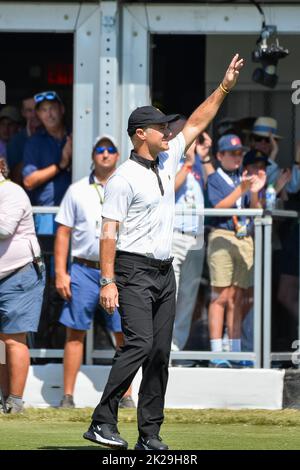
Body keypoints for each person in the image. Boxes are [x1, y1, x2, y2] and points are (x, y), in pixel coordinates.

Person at [83, 54, 244, 450]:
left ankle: (149, 434)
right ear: (141, 134)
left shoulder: (168, 159)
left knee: (158, 353)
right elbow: (108, 232)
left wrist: (224, 86)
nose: (167, 131)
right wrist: (107, 280)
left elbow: (197, 121)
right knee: (138, 344)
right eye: (159, 127)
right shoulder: (122, 178)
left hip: (163, 271)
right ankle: (102, 420)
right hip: (132, 269)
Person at [54, 135, 134, 409]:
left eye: (110, 150)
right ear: (92, 156)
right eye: (99, 150)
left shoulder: (126, 187)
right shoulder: (77, 190)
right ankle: (67, 396)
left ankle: (126, 395)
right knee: (75, 332)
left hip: (119, 269)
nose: (105, 154)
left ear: (117, 155)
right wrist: (60, 273)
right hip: (84, 269)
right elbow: (63, 232)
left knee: (123, 332)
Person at [207, 135, 266, 368]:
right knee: (220, 296)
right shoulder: (214, 178)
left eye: (240, 153)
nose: (237, 157)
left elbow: (254, 211)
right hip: (222, 236)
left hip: (244, 238)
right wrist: (242, 188)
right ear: (220, 156)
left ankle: (235, 350)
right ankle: (216, 353)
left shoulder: (243, 178)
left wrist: (254, 191)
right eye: (232, 153)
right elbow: (217, 207)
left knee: (237, 298)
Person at [0, 158, 45, 413]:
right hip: (5, 275)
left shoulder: (12, 191)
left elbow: (4, 229)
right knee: (0, 342)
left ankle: (15, 402)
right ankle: (4, 399)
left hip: (20, 274)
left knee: (13, 339)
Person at [171, 132, 214, 352]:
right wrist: (187, 164)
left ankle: (176, 348)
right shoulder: (168, 159)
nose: (192, 144)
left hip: (196, 236)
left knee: (188, 295)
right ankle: (163, 347)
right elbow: (167, 191)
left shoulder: (199, 163)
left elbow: (213, 188)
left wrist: (204, 157)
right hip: (174, 234)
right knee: (171, 292)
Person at [22, 91, 71, 235]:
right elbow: (29, 182)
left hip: (77, 211)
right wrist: (61, 165)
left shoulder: (77, 134)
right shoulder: (34, 142)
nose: (49, 114)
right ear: (38, 115)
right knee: (48, 257)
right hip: (47, 213)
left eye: (52, 108)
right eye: (43, 110)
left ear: (62, 109)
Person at [7, 96, 41, 185]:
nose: (34, 114)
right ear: (23, 113)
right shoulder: (16, 141)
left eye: (37, 109)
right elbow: (14, 179)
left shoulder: (53, 135)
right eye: (29, 110)